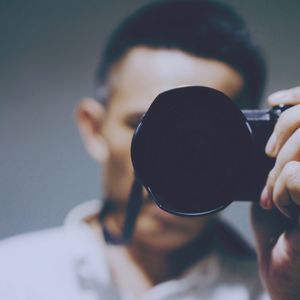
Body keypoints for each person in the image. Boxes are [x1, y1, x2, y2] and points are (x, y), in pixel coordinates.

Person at [1, 0, 300, 299]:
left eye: (206, 137)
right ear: (93, 128)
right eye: (146, 127)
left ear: (252, 139)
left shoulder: (280, 285)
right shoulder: (12, 277)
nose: (179, 161)